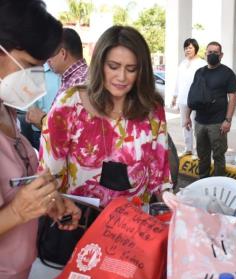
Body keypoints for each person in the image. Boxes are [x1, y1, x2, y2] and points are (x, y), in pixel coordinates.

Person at [39, 25, 172, 207]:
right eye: (113, 66)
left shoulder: (151, 109)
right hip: (78, 224)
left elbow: (160, 176)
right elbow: (48, 176)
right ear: (100, 64)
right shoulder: (69, 105)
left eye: (131, 69)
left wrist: (172, 202)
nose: (122, 77)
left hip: (135, 226)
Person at [0, 1, 80, 279]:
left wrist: (48, 202)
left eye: (40, 66)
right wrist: (19, 211)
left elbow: (14, 186)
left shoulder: (6, 112)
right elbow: (14, 207)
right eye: (29, 64)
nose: (36, 75)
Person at [185, 41, 236, 178]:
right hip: (200, 122)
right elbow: (193, 95)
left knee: (219, 156)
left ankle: (219, 184)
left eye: (216, 52)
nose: (212, 55)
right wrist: (186, 117)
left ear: (221, 55)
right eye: (210, 52)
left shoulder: (227, 73)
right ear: (205, 54)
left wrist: (228, 120)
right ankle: (203, 182)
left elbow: (232, 98)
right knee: (203, 156)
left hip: (218, 123)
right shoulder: (199, 73)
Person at [26, 27, 88, 130]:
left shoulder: (78, 82)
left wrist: (42, 119)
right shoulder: (75, 78)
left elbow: (71, 130)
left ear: (63, 53)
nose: (48, 60)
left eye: (50, 54)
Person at [171, 38, 206, 155]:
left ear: (195, 48)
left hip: (196, 100)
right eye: (186, 48)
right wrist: (174, 97)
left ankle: (200, 150)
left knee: (197, 126)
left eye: (190, 47)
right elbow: (178, 81)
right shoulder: (183, 63)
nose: (187, 50)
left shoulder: (202, 64)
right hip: (183, 99)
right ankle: (188, 148)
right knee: (185, 125)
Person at [18, 63, 60, 149]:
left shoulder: (67, 70)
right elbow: (30, 109)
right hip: (41, 131)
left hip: (66, 130)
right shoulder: (35, 71)